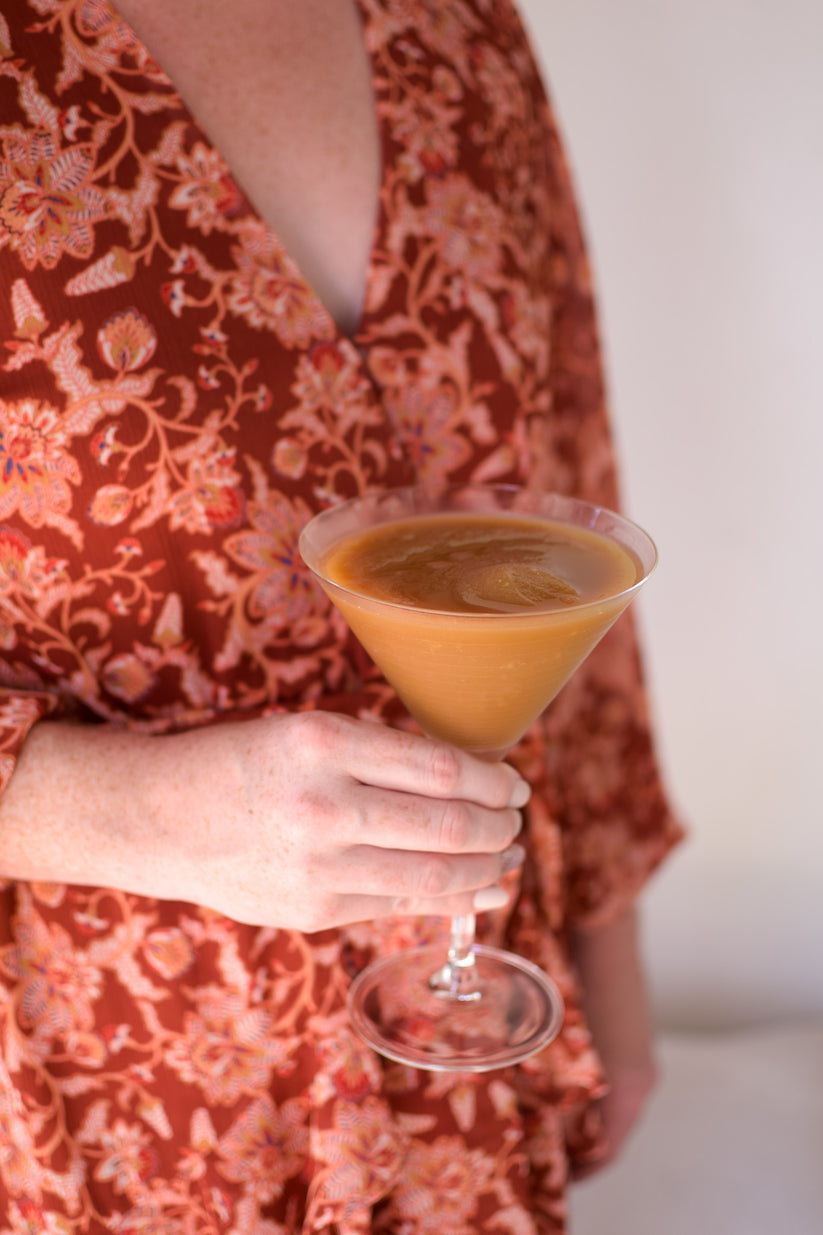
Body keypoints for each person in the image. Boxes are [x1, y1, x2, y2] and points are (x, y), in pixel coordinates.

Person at [0, 1, 683, 1231]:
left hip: (463, 1057)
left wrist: (612, 962)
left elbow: (570, 494)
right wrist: (131, 809)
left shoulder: (459, 24)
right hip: (116, 1082)